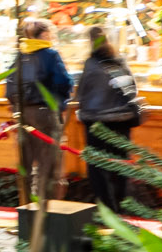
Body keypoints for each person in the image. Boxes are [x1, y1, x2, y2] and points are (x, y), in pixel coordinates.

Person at [7, 17, 74, 205]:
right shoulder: (50, 55)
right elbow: (63, 82)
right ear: (44, 34)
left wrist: (16, 107)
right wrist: (61, 102)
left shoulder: (20, 55)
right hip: (45, 114)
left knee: (25, 163)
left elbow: (9, 87)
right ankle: (46, 212)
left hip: (22, 114)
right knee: (48, 163)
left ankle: (26, 209)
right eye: (50, 33)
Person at [75, 31, 143, 213]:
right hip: (122, 121)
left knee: (97, 168)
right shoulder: (118, 62)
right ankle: (122, 204)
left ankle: (107, 208)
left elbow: (81, 94)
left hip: (96, 123)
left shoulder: (90, 65)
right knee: (120, 164)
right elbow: (132, 91)